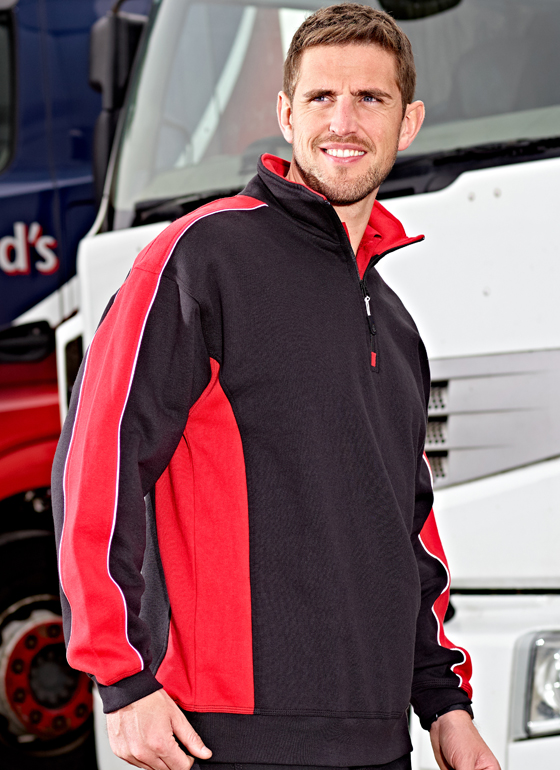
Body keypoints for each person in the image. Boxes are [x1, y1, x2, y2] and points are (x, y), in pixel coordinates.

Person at [52, 5, 501, 770]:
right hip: (230, 737)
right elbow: (99, 462)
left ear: (409, 122)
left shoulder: (395, 324)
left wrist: (445, 704)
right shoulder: (203, 258)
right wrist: (122, 679)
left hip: (378, 740)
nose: (343, 122)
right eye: (322, 97)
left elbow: (409, 530)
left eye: (371, 98)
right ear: (287, 115)